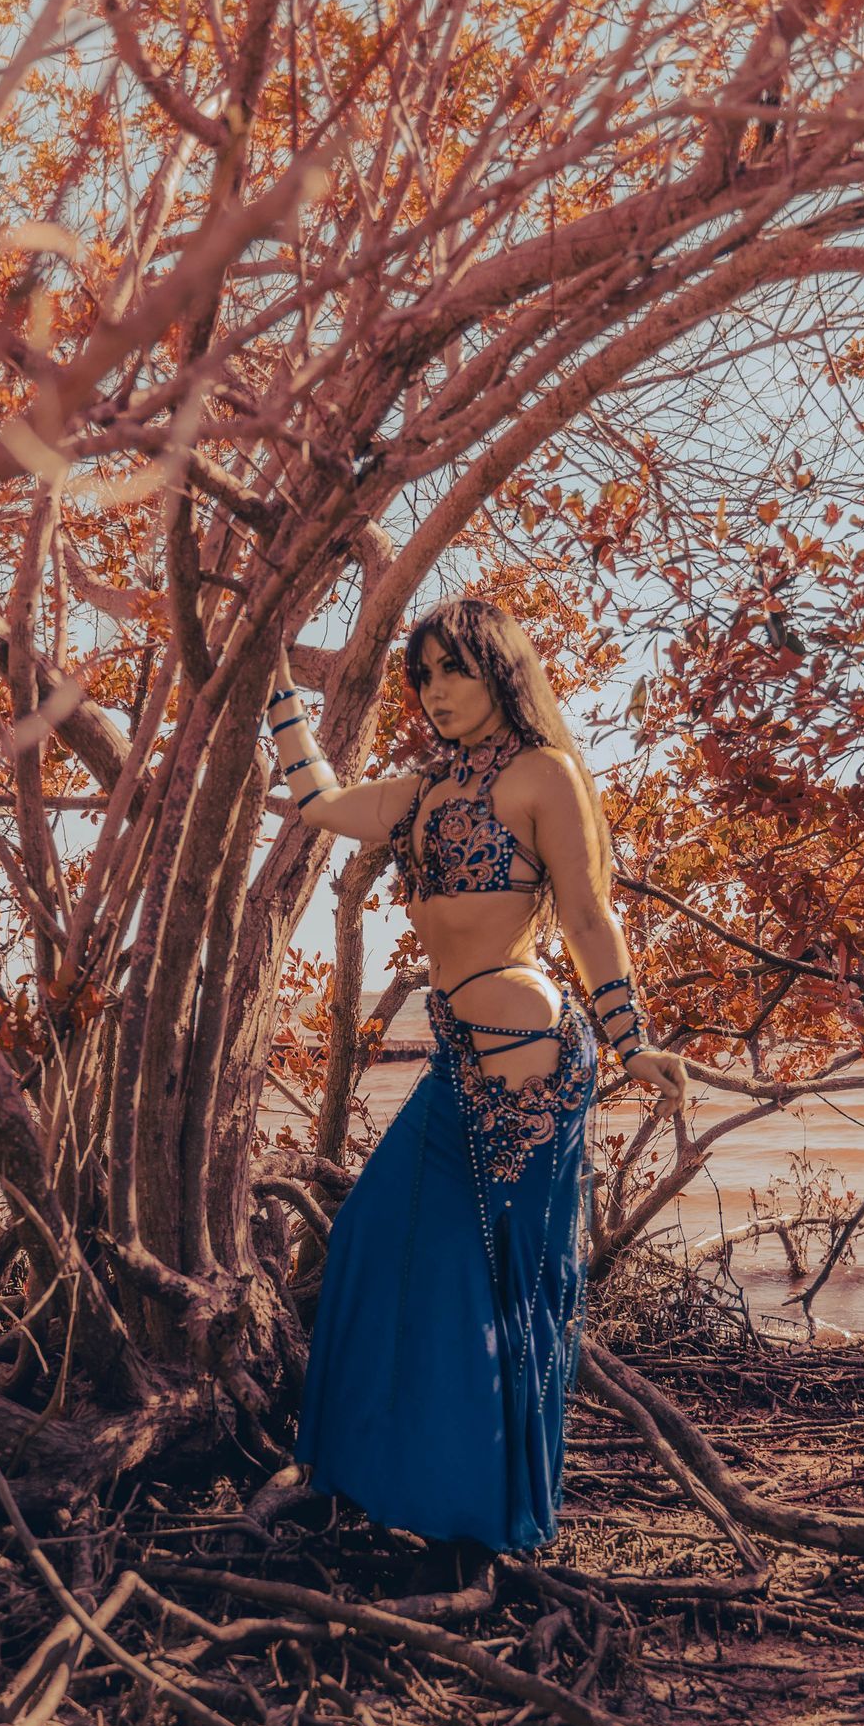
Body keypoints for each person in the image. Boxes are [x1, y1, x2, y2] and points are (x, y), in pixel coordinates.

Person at [265, 595, 689, 1556]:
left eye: (455, 668)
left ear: (500, 669)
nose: (437, 690)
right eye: (424, 675)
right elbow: (320, 803)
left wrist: (633, 1043)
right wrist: (277, 690)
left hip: (527, 1052)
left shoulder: (544, 773)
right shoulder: (423, 790)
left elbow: (588, 918)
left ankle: (492, 1519)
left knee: (506, 1283)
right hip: (462, 1050)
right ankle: (402, 1485)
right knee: (374, 1241)